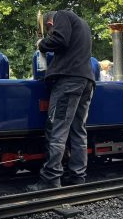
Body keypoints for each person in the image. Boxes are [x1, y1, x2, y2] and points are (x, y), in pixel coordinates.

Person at [36, 10, 95, 189]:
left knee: (57, 129)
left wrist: (42, 44)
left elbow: (59, 40)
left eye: (49, 30)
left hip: (68, 82)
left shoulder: (61, 15)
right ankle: (78, 176)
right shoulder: (82, 24)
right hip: (86, 81)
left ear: (49, 24)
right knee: (78, 131)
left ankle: (50, 178)